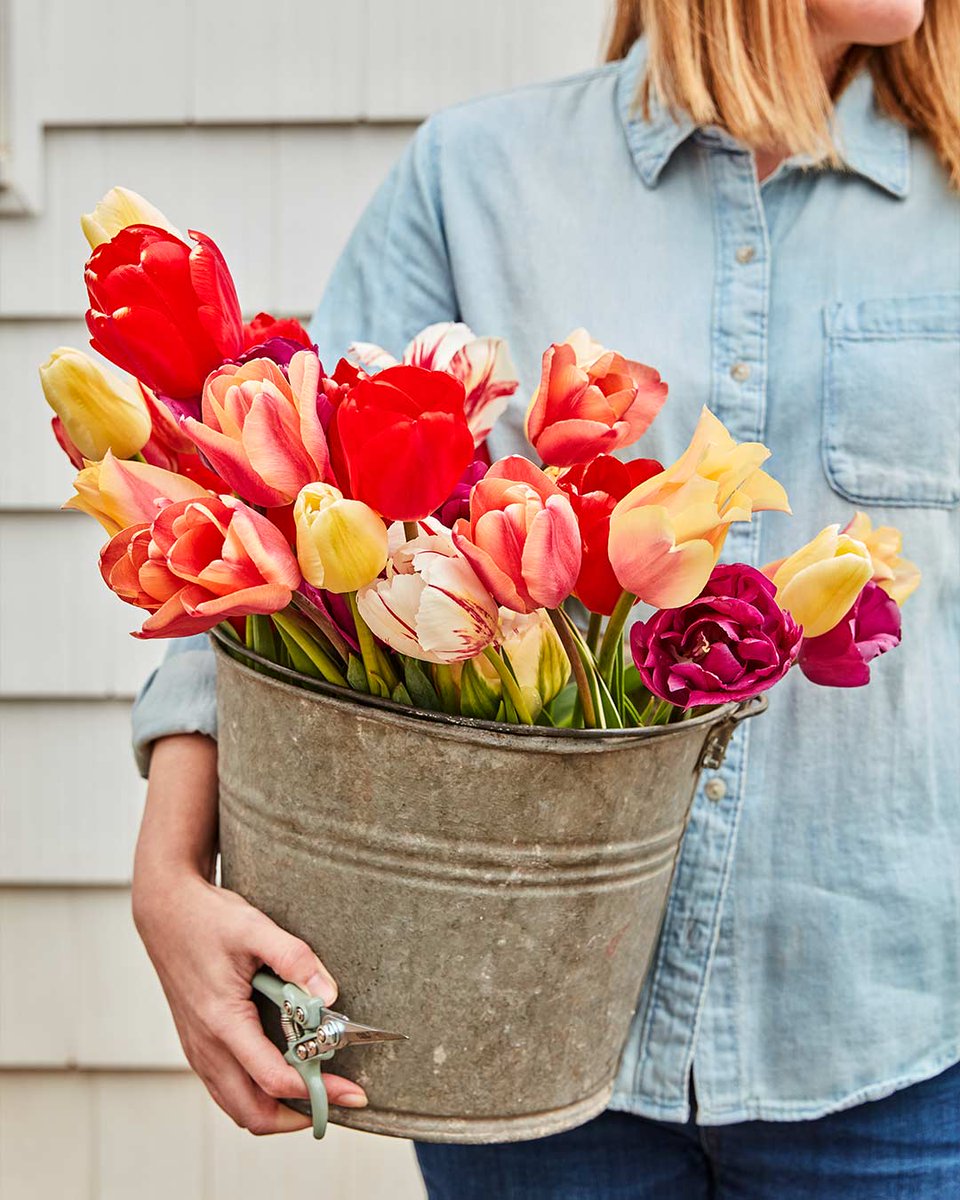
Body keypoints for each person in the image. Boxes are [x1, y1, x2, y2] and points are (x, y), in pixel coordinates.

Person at [130, 1, 960, 1195]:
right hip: (518, 1038)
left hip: (901, 1045)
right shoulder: (477, 183)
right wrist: (169, 874)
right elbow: (282, 533)